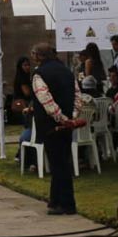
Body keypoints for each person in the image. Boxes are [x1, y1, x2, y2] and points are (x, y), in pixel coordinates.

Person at [30, 42, 84, 216]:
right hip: (67, 124)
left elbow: (46, 100)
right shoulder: (68, 72)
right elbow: (78, 96)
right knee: (60, 160)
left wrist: (60, 118)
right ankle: (55, 200)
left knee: (59, 165)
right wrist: (72, 117)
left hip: (50, 124)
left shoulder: (39, 75)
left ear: (38, 56)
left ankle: (68, 204)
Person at [12, 55, 36, 159]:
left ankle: (22, 153)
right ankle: (21, 153)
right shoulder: (22, 78)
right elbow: (26, 93)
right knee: (29, 127)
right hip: (23, 106)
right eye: (25, 65)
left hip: (25, 105)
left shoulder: (26, 76)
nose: (27, 67)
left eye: (28, 65)